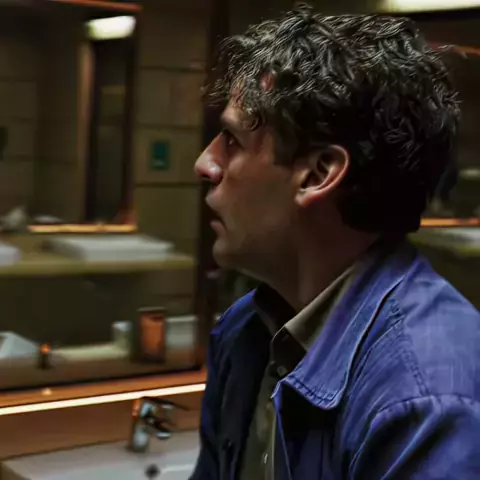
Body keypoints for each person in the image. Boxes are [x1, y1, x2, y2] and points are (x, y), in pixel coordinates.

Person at [191, 5, 480, 479]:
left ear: (318, 174)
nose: (206, 164)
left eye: (232, 140)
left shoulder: (428, 396)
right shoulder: (244, 331)